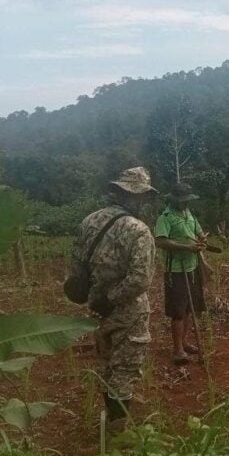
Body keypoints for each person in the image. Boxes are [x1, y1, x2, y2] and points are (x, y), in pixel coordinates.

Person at [69, 167, 157, 431]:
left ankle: (111, 418)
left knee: (106, 364)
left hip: (96, 309)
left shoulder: (89, 222)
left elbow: (76, 271)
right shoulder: (138, 230)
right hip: (128, 311)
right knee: (125, 369)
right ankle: (118, 432)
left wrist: (98, 298)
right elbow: (140, 279)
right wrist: (113, 298)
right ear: (136, 197)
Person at [154, 182, 211, 365]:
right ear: (174, 200)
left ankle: (185, 342)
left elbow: (199, 232)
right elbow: (161, 241)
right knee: (178, 311)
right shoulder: (165, 217)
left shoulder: (189, 214)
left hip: (193, 267)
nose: (185, 203)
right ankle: (177, 349)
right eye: (182, 200)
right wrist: (187, 247)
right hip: (176, 270)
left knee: (189, 309)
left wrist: (201, 239)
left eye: (187, 200)